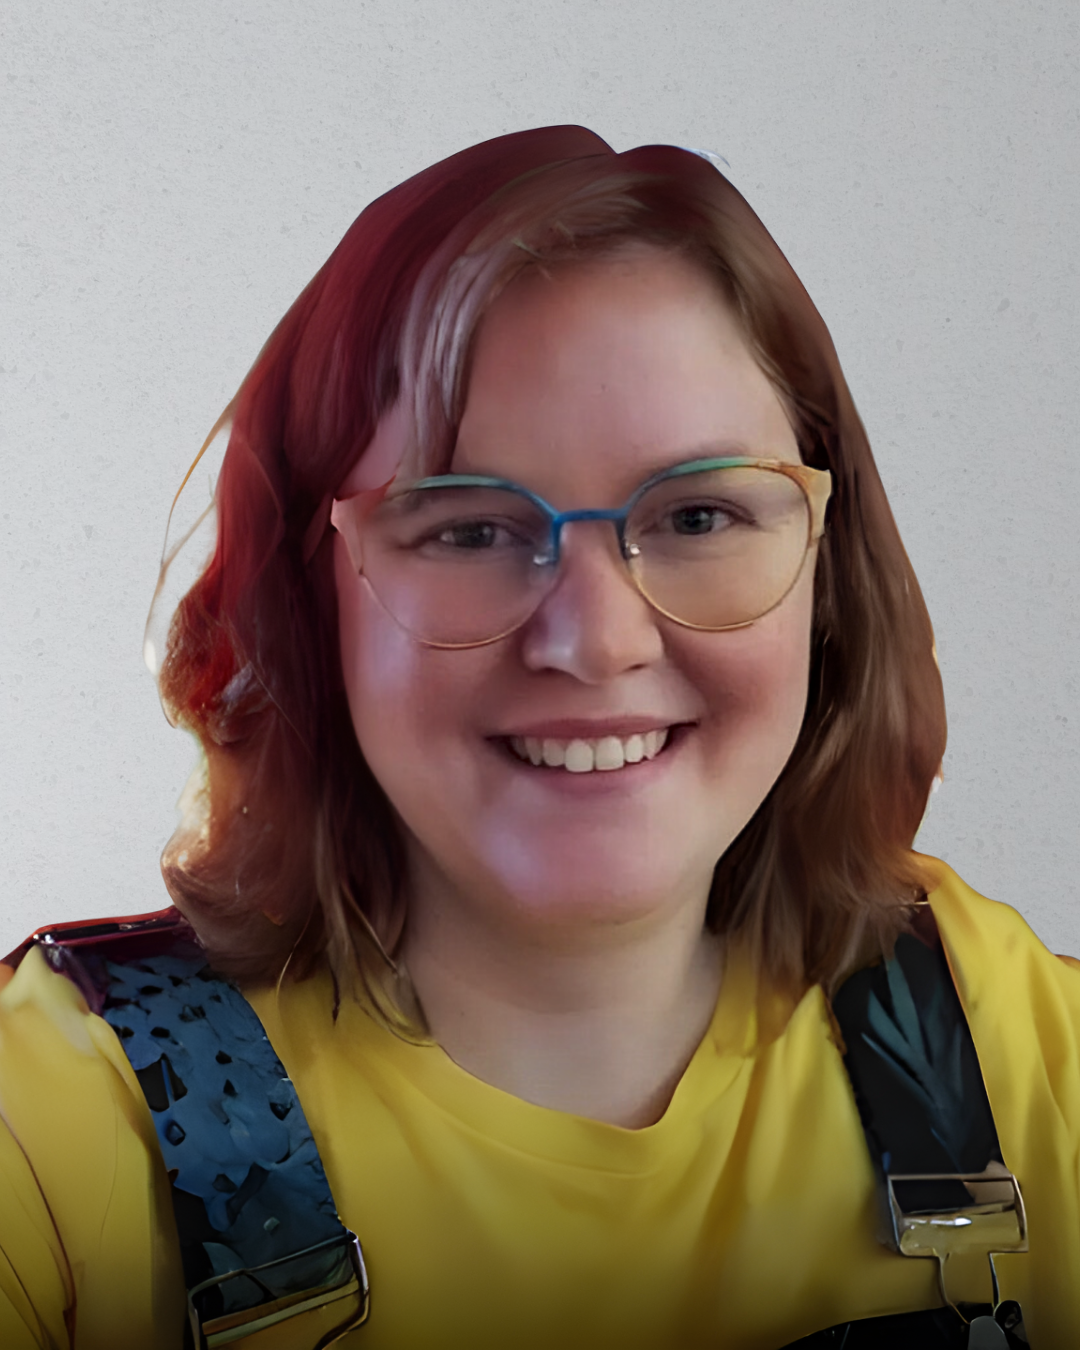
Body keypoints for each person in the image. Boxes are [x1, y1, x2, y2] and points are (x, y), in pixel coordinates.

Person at [1, 125, 1077, 1350]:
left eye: (700, 515)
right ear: (308, 603)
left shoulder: (1014, 1048)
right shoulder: (54, 1130)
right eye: (467, 529)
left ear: (827, 576)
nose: (597, 641)